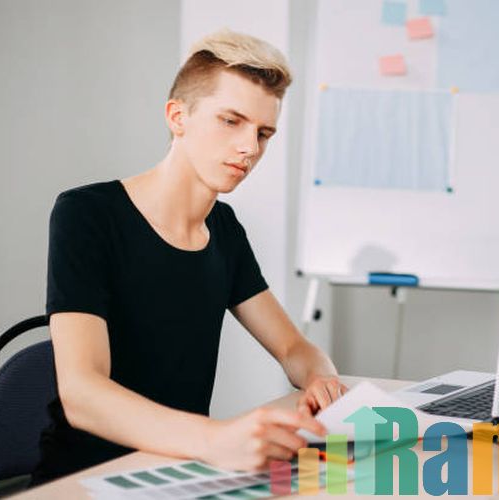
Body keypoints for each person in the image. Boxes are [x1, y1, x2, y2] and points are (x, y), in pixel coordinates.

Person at [31, 28, 345, 485]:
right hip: (87, 477)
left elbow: (293, 348)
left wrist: (321, 378)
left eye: (263, 133)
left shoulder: (224, 228)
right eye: (231, 121)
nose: (250, 148)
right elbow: (82, 394)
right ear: (178, 116)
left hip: (180, 470)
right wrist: (217, 439)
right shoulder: (88, 214)